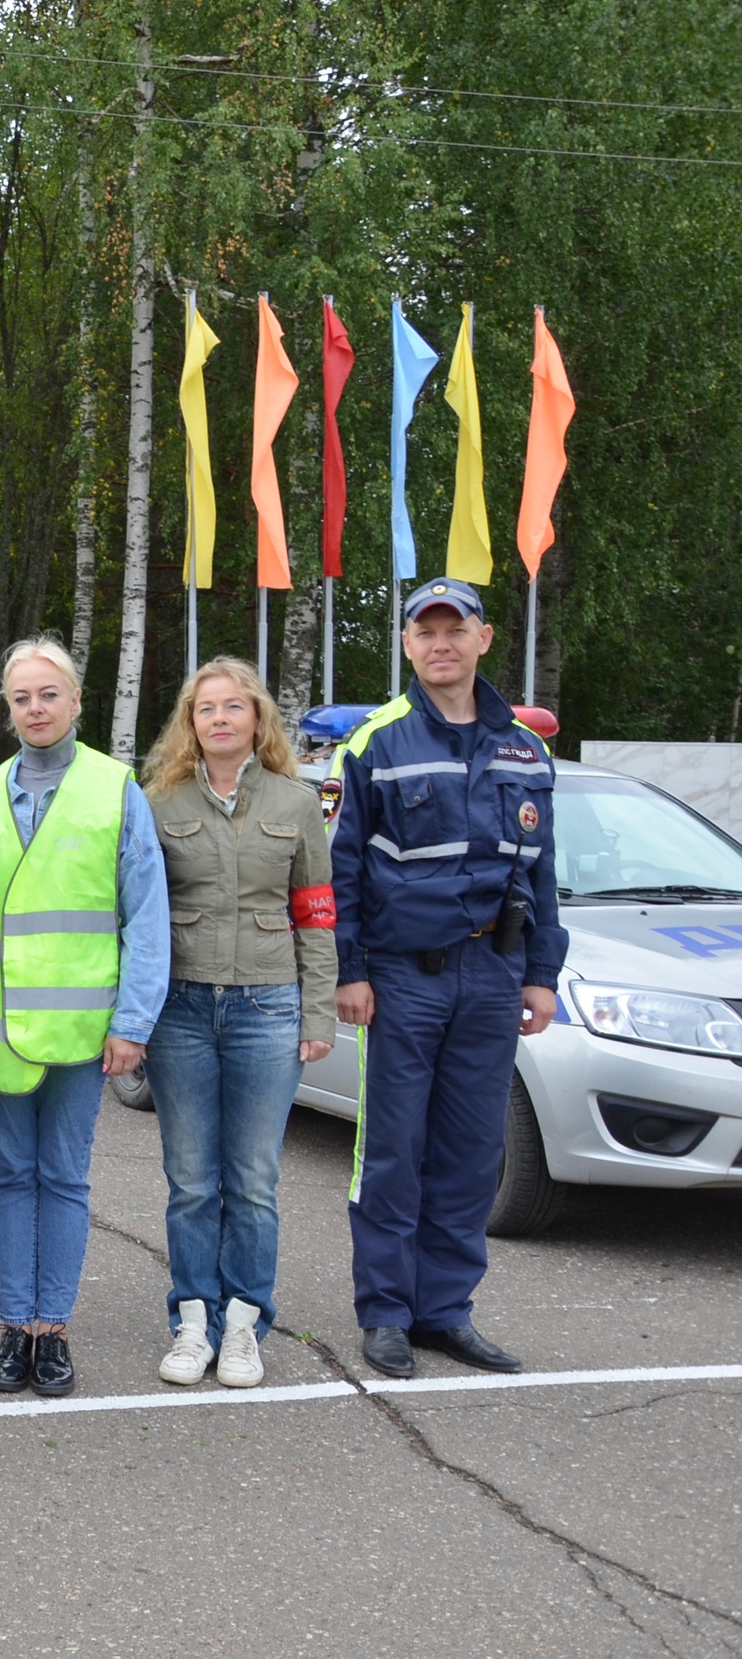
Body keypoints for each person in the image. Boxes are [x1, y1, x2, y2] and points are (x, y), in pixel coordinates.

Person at [328, 578, 562, 1380]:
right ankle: (387, 1314)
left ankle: (446, 1312)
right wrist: (349, 971)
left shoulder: (524, 751)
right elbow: (342, 869)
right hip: (402, 978)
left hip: (492, 975)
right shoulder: (375, 742)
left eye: (453, 629)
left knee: (469, 1152)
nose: (440, 644)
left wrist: (541, 974)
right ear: (406, 644)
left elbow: (546, 874)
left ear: (483, 639)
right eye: (424, 631)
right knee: (394, 1151)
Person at [0, 636, 169, 1400]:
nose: (36, 708)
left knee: (65, 1180)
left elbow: (147, 918)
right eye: (21, 697)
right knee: (11, 1177)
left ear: (77, 701)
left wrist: (134, 1022)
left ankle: (54, 1329)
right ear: (7, 708)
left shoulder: (117, 790)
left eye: (50, 694)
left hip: (84, 1034)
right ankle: (16, 1325)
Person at [139, 658, 336, 1390]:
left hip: (268, 1008)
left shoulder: (296, 801)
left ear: (258, 720)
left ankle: (245, 1324)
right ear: (190, 724)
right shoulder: (157, 802)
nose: (220, 719)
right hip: (181, 1012)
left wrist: (319, 1013)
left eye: (234, 707)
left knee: (253, 1181)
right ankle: (193, 1321)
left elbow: (316, 915)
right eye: (205, 709)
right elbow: (138, 915)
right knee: (191, 1180)